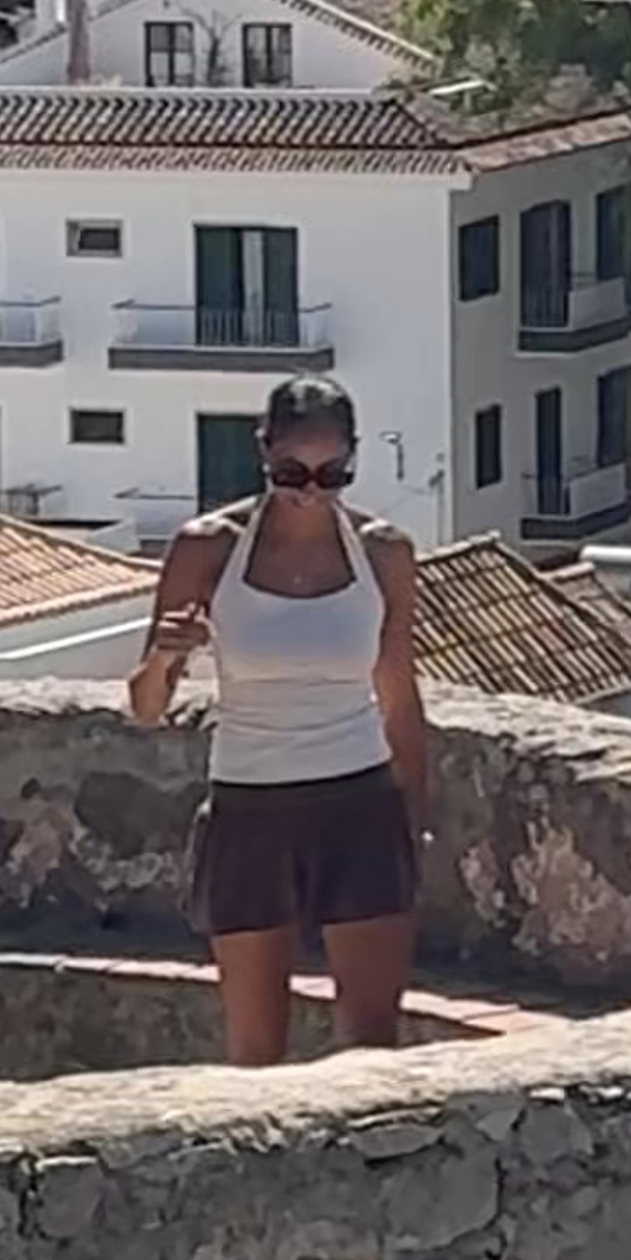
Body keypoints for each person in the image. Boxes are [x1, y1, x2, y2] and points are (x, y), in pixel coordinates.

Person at [125, 378, 433, 1066]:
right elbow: (147, 707)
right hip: (249, 808)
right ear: (263, 453)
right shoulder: (206, 549)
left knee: (373, 1048)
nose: (311, 491)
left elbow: (401, 701)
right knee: (257, 1055)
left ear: (354, 461)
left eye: (333, 475)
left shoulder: (384, 554)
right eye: (292, 472)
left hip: (360, 803)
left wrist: (411, 829)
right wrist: (166, 657)